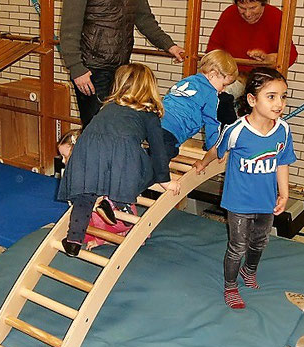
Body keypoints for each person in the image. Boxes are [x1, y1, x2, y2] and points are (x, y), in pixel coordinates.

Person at [195, 67, 297, 309]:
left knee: (260, 241)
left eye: (283, 96)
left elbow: (282, 162)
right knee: (238, 245)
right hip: (239, 201)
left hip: (265, 199)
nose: (279, 103)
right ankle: (230, 286)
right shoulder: (237, 130)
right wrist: (203, 162)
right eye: (271, 96)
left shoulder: (283, 129)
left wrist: (284, 193)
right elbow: (217, 151)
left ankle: (249, 271)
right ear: (252, 99)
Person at [58, 63, 181, 257]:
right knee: (145, 166)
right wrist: (165, 180)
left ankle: (73, 240)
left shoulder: (108, 107)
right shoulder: (149, 115)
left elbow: (101, 138)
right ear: (150, 88)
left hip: (85, 148)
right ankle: (116, 200)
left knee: (85, 195)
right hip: (120, 151)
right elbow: (158, 152)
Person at [60, 0, 185, 129]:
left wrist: (169, 46)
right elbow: (69, 29)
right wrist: (76, 68)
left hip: (121, 71)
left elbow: (145, 19)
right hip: (91, 69)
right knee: (96, 127)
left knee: (117, 124)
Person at [57, 129, 138, 250]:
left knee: (90, 209)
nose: (63, 161)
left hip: (118, 218)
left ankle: (111, 234)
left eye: (65, 156)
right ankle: (118, 232)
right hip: (114, 216)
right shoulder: (94, 165)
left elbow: (95, 214)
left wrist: (99, 240)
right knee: (82, 227)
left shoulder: (91, 174)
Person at [160, 49, 238, 162]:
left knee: (162, 148)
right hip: (172, 129)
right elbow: (212, 123)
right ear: (212, 75)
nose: (223, 90)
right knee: (167, 153)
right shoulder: (211, 94)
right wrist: (215, 150)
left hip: (156, 119)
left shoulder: (188, 80)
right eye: (224, 85)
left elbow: (170, 97)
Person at [206, 0, 298, 74]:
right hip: (230, 75)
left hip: (262, 78)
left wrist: (270, 59)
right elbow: (213, 49)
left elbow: (290, 55)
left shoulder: (275, 16)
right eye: (242, 8)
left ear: (263, 3)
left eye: (253, 7)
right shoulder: (229, 13)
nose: (248, 14)